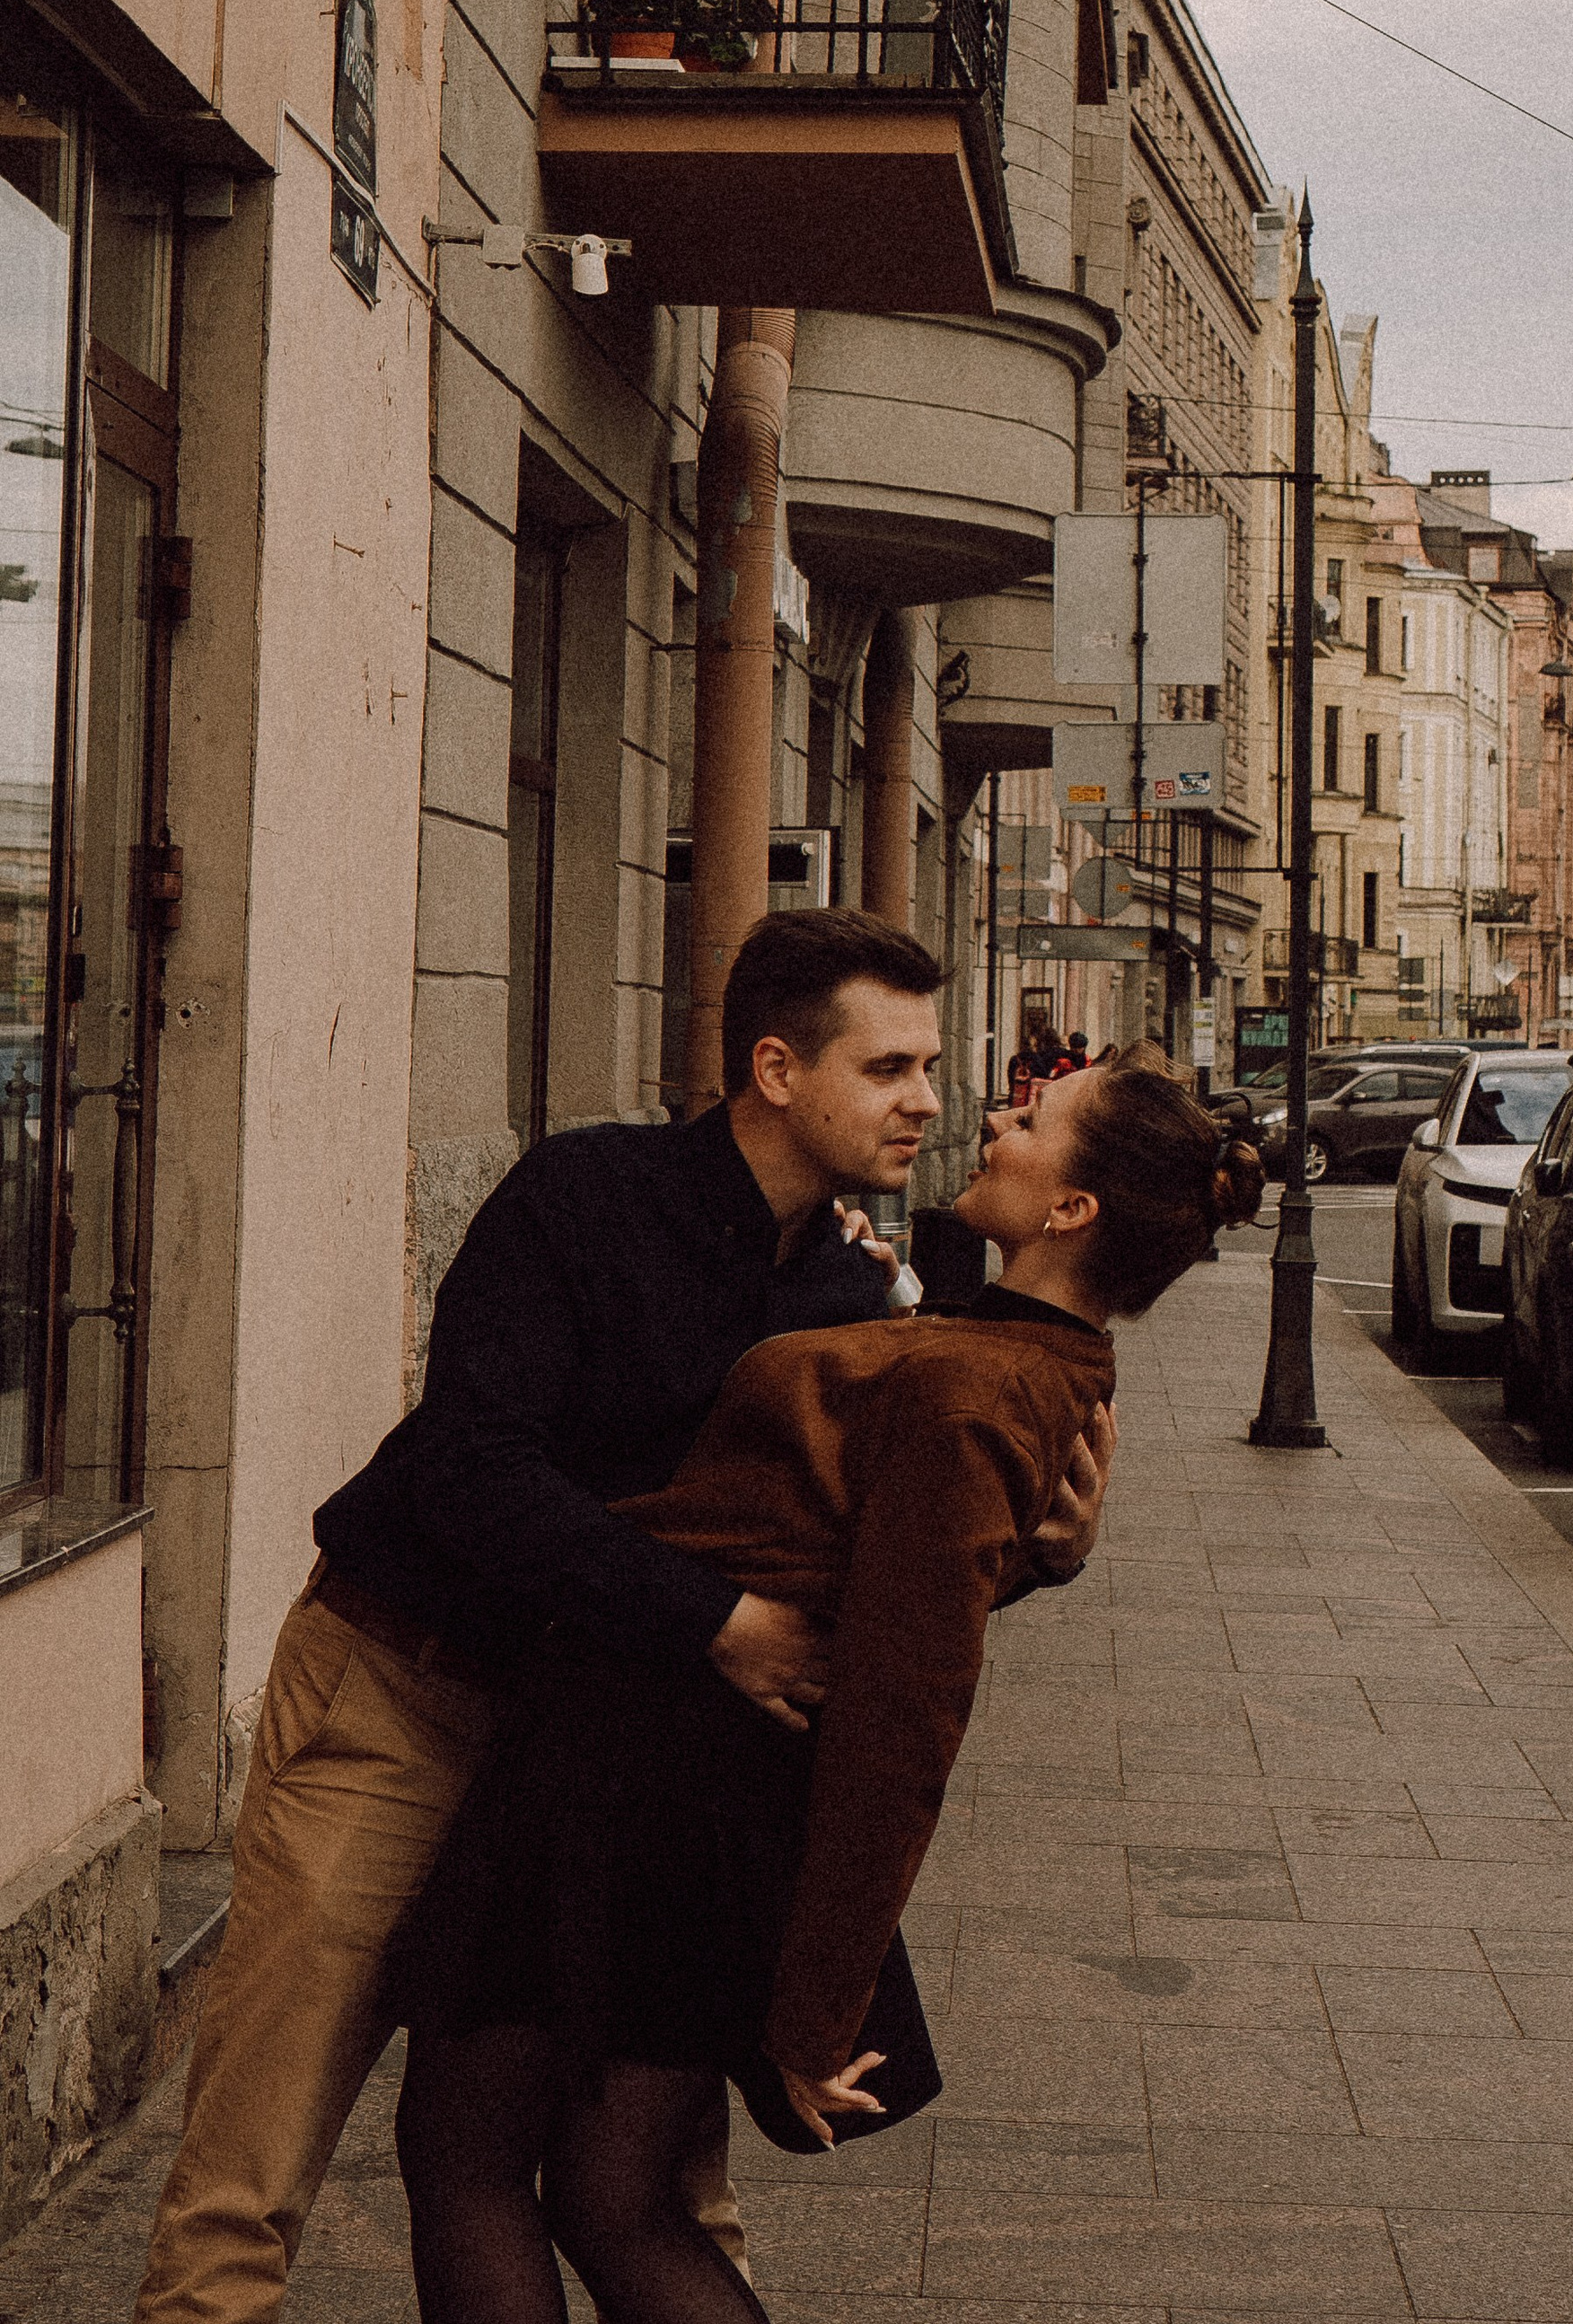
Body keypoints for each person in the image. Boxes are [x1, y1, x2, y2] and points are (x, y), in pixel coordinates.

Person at [133, 909, 1113, 2324]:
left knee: (655, 2183)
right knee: (253, 2173)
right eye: (890, 1067)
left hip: (597, 1755)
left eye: (929, 1066)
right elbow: (476, 1468)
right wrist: (716, 1619)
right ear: (776, 1070)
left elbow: (875, 1559)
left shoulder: (848, 1289)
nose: (927, 1100)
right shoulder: (581, 1198)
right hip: (404, 1696)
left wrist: (1047, 1548)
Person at [390, 1052, 1263, 2323]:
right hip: (660, 1760)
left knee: (486, 2168)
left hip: (650, 1774)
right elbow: (889, 1571)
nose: (995, 1120)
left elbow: (908, 1710)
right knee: (602, 2196)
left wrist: (819, 2007)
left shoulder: (980, 1387)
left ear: (1074, 1210)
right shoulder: (1007, 1355)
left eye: (1035, 1120)